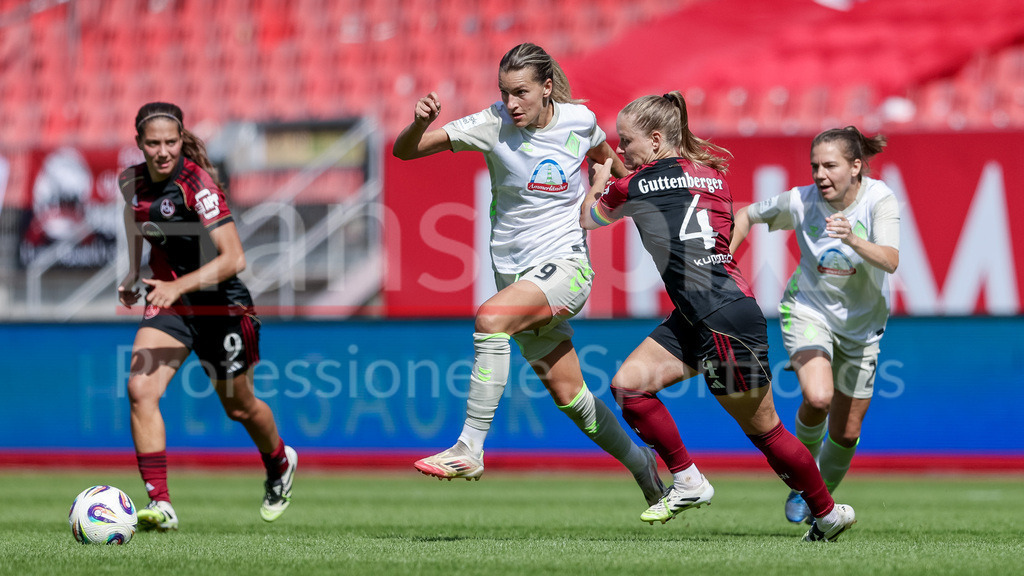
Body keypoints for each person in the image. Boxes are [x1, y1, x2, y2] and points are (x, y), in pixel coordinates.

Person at [392, 42, 665, 505]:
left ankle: (470, 447)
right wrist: (420, 122)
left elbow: (606, 161)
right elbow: (406, 152)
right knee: (573, 400)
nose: (511, 103)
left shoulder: (579, 121)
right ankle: (643, 466)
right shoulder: (491, 124)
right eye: (504, 92)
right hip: (517, 277)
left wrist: (619, 194)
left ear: (547, 88)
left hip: (568, 269)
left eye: (521, 92)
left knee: (490, 319)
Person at [580, 92, 856, 542]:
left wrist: (600, 177)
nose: (620, 148)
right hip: (712, 307)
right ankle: (688, 479)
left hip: (718, 315)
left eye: (626, 140)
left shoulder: (627, 185)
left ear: (654, 139)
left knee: (765, 430)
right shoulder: (713, 177)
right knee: (629, 386)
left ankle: (827, 513)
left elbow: (588, 219)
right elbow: (684, 204)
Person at [117, 102, 297, 531]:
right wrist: (132, 268)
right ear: (139, 143)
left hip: (222, 309)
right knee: (140, 389)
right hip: (172, 306)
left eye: (171, 142)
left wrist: (178, 284)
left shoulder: (197, 184)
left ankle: (279, 463)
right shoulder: (131, 181)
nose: (163, 151)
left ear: (182, 141)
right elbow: (135, 216)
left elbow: (235, 258)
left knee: (240, 408)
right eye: (154, 143)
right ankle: (161, 504)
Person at [730, 126, 898, 525]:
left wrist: (854, 240)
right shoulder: (800, 201)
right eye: (815, 166)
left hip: (862, 325)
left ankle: (814, 488)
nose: (820, 174)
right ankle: (805, 481)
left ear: (856, 167)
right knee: (818, 398)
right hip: (808, 310)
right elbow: (745, 214)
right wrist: (723, 263)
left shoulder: (879, 199)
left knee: (846, 431)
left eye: (830, 166)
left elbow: (891, 260)